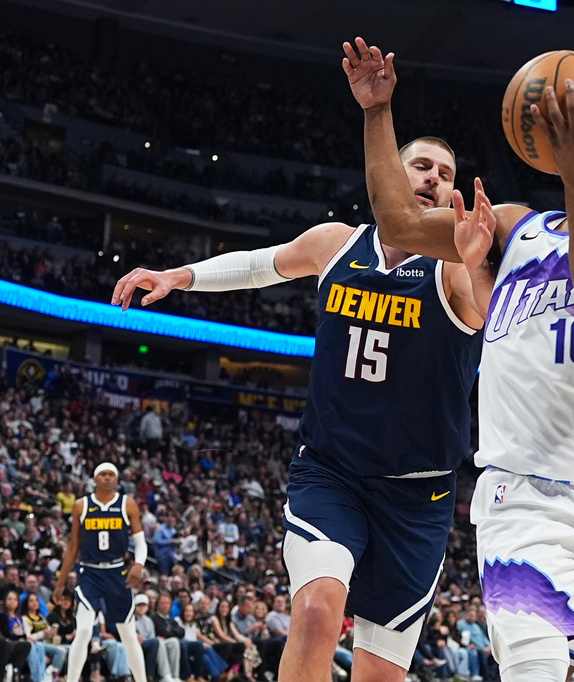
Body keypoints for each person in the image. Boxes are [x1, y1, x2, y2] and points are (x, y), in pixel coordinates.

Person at [110, 64, 486, 682]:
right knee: (314, 611)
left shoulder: (455, 273)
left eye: (445, 176)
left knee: (378, 675)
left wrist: (476, 263)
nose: (432, 180)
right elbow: (262, 265)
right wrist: (181, 275)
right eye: (420, 166)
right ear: (391, 171)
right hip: (332, 473)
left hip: (418, 497)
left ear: (452, 199)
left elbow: (499, 319)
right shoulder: (336, 242)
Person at [347, 36, 574, 682]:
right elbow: (396, 226)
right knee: (532, 668)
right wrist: (376, 112)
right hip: (519, 494)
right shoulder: (512, 227)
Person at [52, 463, 149, 682]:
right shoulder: (81, 505)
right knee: (84, 630)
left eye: (111, 474)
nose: (107, 478)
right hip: (89, 573)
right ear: (94, 479)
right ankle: (72, 679)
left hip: (117, 572)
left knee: (128, 635)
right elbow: (73, 547)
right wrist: (60, 583)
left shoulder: (127, 504)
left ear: (116, 479)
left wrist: (139, 564)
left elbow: (141, 543)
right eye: (102, 474)